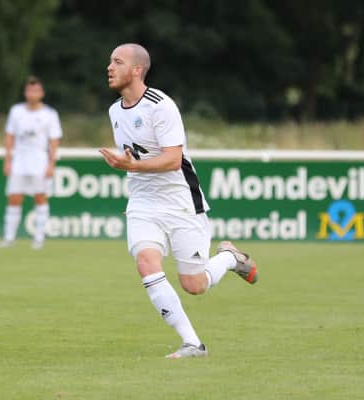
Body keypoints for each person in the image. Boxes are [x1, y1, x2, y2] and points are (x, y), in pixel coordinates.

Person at [100, 43, 258, 358]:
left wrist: (132, 166)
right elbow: (136, 159)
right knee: (146, 262)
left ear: (137, 70)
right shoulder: (115, 111)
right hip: (143, 201)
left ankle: (229, 257)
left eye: (117, 62)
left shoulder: (161, 106)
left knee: (194, 285)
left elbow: (173, 160)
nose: (109, 67)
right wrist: (131, 170)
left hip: (180, 200)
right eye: (110, 62)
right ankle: (193, 344)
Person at [0, 76, 62, 249]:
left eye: (36, 90)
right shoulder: (16, 111)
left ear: (42, 93)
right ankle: (9, 238)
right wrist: (8, 160)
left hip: (39, 162)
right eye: (29, 90)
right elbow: (10, 136)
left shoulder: (49, 114)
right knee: (14, 198)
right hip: (19, 161)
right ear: (25, 93)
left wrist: (51, 164)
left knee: (40, 197)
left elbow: (54, 141)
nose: (32, 94)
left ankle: (39, 238)